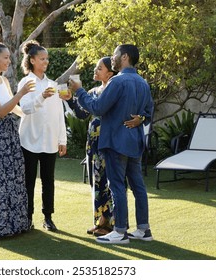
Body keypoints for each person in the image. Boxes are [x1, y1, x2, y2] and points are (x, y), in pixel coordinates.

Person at [69, 44, 154, 244]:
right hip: (135, 142)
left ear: (124, 57)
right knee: (138, 187)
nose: (112, 58)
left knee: (117, 186)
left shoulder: (117, 81)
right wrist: (140, 119)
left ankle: (120, 231)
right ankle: (143, 229)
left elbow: (97, 108)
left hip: (116, 141)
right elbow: (149, 113)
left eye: (115, 55)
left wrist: (79, 91)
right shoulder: (142, 82)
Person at [0, 36, 35, 238]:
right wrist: (20, 94)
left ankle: (16, 224)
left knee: (14, 177)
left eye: (9, 58)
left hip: (10, 134)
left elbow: (14, 108)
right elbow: (1, 111)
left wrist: (33, 109)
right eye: (5, 57)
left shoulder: (3, 80)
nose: (9, 61)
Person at [18, 40, 67, 232]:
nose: (45, 62)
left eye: (47, 59)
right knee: (28, 181)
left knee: (49, 181)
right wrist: (41, 97)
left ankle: (48, 217)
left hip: (49, 141)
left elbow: (58, 114)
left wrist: (62, 140)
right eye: (42, 58)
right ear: (32, 60)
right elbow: (25, 109)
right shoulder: (25, 82)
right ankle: (27, 217)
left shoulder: (53, 84)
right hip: (29, 140)